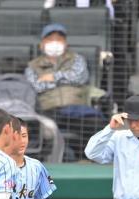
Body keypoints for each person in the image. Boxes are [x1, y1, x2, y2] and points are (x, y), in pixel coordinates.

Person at [25, 23, 104, 160]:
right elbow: (35, 86)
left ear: (66, 43)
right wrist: (66, 78)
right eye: (50, 39)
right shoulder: (32, 66)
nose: (54, 43)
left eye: (59, 39)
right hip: (48, 110)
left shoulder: (77, 60)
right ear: (42, 44)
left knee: (99, 124)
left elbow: (80, 77)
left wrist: (53, 77)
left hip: (77, 108)